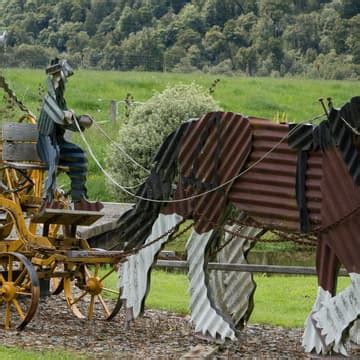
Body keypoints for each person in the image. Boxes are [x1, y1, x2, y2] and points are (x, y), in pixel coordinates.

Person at [37, 58, 103, 211]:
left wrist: (81, 121)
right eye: (59, 81)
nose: (62, 85)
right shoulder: (49, 101)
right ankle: (48, 199)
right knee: (54, 158)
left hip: (57, 142)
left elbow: (68, 121)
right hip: (46, 143)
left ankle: (79, 200)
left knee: (79, 155)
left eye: (62, 82)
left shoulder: (61, 101)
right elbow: (59, 117)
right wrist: (66, 116)